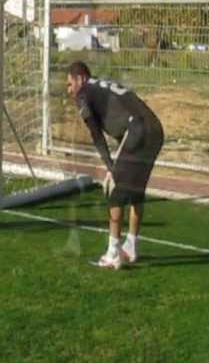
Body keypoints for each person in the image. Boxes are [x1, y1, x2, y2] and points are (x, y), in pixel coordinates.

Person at [66, 61, 165, 269]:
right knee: (136, 191)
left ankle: (113, 253)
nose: (69, 90)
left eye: (70, 84)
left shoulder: (84, 93)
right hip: (156, 130)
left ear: (80, 78)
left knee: (115, 194)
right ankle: (131, 246)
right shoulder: (104, 85)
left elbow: (96, 134)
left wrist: (110, 166)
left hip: (136, 130)